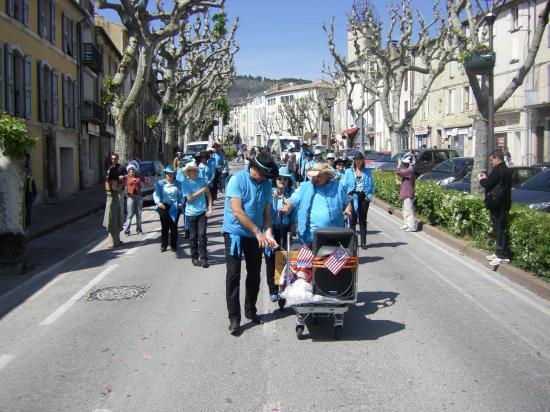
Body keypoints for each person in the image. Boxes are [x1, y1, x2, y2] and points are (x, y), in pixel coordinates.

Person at [223, 150, 279, 335]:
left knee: (254, 274)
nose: (264, 178)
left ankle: (250, 309)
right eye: (262, 174)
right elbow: (238, 212)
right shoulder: (236, 180)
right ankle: (234, 318)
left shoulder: (265, 185)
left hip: (257, 236)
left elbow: (267, 214)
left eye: (266, 176)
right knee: (233, 275)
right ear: (253, 167)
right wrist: (257, 231)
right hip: (236, 234)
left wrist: (268, 233)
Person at [281, 162, 352, 246]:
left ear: (327, 175)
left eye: (318, 176)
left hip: (335, 237)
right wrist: (285, 209)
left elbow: (347, 204)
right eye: (313, 176)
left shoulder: (337, 187)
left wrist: (347, 211)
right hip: (310, 239)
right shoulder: (304, 187)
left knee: (338, 258)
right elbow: (290, 202)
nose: (315, 179)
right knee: (311, 258)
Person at [264, 167, 297, 303]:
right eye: (279, 178)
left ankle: (284, 286)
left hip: (286, 228)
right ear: (275, 180)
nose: (282, 181)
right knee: (271, 259)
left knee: (285, 258)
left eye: (285, 179)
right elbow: (266, 211)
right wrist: (272, 199)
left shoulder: (292, 194)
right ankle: (273, 289)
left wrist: (294, 223)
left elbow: (294, 210)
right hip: (271, 229)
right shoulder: (269, 192)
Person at [479, 150, 512, 267]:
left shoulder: (498, 170)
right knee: (498, 228)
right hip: (503, 203)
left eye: (491, 160)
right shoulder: (506, 170)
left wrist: (481, 179)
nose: (491, 162)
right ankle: (499, 252)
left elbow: (488, 184)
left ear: (497, 158)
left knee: (499, 229)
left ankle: (502, 255)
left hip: (498, 204)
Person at [180, 160, 213, 268]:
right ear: (188, 173)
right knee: (193, 237)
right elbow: (189, 198)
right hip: (190, 214)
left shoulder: (202, 181)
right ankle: (194, 257)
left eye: (196, 171)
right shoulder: (185, 183)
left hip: (202, 212)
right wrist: (201, 190)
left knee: (202, 235)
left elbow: (208, 195)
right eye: (192, 171)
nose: (195, 172)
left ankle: (204, 258)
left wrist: (210, 208)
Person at [342, 152, 375, 249]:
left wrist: (369, 196)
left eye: (360, 159)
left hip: (364, 197)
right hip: (353, 196)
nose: (358, 161)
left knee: (363, 220)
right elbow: (343, 185)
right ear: (354, 161)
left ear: (362, 160)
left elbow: (372, 185)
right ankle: (352, 242)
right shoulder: (348, 171)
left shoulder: (367, 171)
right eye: (356, 159)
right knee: (352, 220)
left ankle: (363, 242)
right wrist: (347, 196)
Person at [153, 165, 184, 252]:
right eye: (167, 173)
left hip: (175, 206)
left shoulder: (178, 183)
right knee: (164, 226)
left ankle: (173, 245)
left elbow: (181, 195)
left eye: (171, 173)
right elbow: (156, 194)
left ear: (174, 174)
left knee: (174, 227)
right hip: (164, 206)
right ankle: (164, 245)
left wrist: (181, 203)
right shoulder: (160, 183)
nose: (169, 175)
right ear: (165, 174)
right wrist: (158, 203)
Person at [123, 161, 150, 235]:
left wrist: (148, 177)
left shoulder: (139, 177)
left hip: (139, 197)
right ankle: (127, 230)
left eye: (133, 169)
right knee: (130, 214)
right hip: (130, 197)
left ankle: (139, 229)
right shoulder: (126, 177)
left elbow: (147, 182)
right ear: (128, 170)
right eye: (130, 169)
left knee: (139, 213)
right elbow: (119, 181)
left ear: (135, 170)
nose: (132, 171)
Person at [103, 161, 124, 248]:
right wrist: (121, 184)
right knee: (114, 222)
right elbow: (116, 189)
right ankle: (115, 242)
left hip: (109, 201)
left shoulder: (107, 181)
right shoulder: (113, 181)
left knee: (111, 221)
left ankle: (113, 241)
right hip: (114, 201)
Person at [396, 154, 417, 232]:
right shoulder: (408, 170)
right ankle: (407, 224)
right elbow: (406, 181)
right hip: (405, 192)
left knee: (409, 210)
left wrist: (398, 164)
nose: (404, 165)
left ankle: (412, 226)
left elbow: (398, 172)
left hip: (408, 193)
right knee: (405, 209)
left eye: (405, 163)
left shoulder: (410, 170)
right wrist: (400, 182)